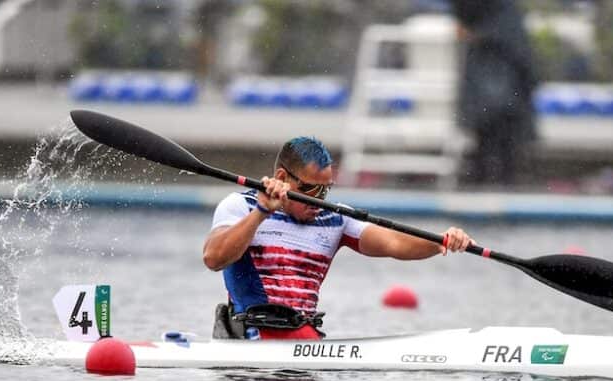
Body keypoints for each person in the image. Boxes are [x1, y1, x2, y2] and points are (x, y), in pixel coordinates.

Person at [203, 136, 474, 340]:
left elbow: (394, 242)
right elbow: (214, 258)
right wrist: (262, 212)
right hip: (249, 341)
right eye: (310, 189)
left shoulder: (336, 219)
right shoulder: (240, 206)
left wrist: (441, 241)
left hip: (303, 340)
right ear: (282, 177)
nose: (319, 201)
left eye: (326, 190)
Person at [450, 0, 537, 187]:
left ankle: (501, 175)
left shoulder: (502, 25)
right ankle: (488, 173)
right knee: (487, 128)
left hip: (501, 57)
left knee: (499, 120)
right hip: (493, 52)